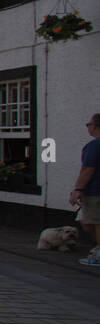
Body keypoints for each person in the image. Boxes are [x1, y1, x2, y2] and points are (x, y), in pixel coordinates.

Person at [71, 113, 100, 266]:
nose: (87, 127)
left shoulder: (94, 145)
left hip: (95, 192)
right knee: (88, 222)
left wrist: (77, 189)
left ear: (94, 126)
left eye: (88, 124)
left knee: (94, 223)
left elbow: (88, 169)